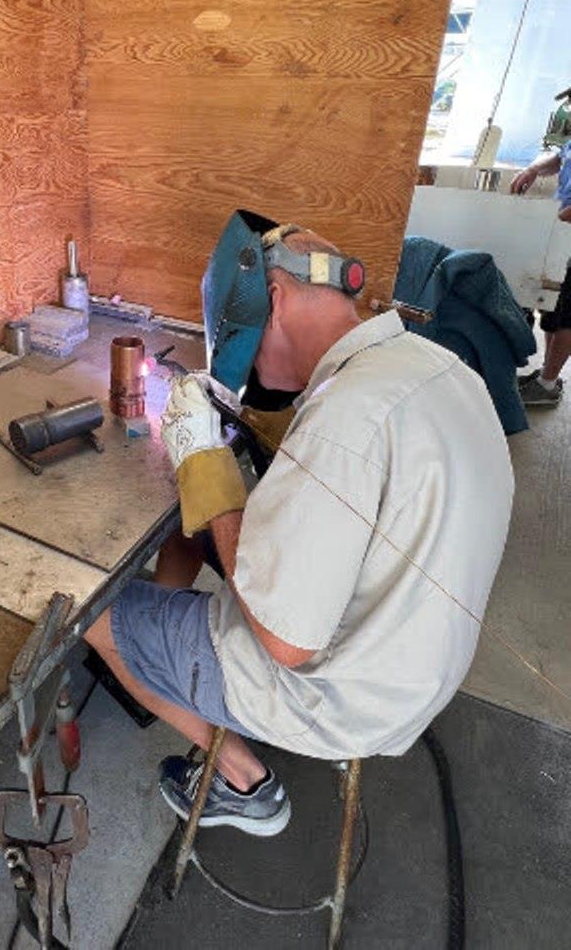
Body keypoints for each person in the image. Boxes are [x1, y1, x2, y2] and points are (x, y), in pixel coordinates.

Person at [85, 211, 513, 837]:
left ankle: (242, 780)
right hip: (411, 659)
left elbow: (286, 641)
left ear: (275, 299)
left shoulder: (348, 415)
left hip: (337, 696)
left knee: (89, 611)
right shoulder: (433, 366)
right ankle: (171, 647)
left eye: (243, 341)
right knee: (192, 524)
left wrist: (203, 459)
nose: (250, 368)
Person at [510, 139, 571, 406]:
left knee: (568, 314)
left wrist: (545, 223)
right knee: (552, 305)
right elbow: (560, 158)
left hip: (565, 227)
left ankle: (546, 385)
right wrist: (533, 169)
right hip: (563, 232)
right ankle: (547, 375)